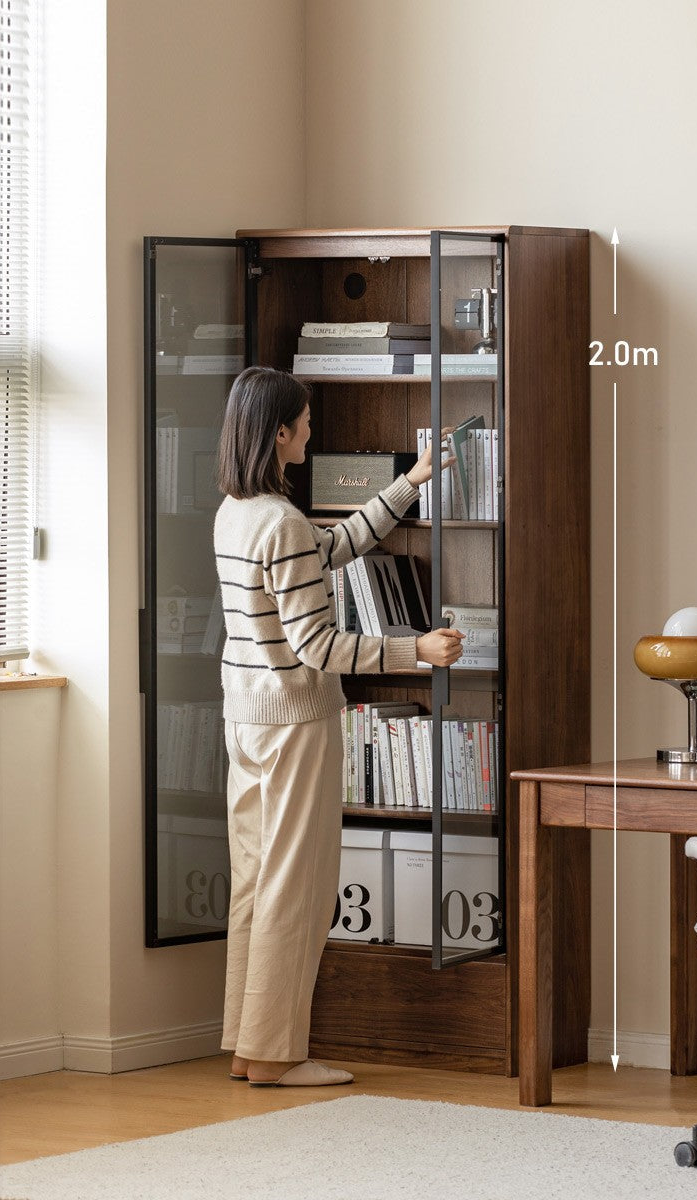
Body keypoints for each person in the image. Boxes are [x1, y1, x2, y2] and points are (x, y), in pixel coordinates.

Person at [213, 365, 463, 1087]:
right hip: (293, 724)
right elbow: (317, 647)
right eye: (306, 422)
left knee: (256, 882)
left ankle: (247, 1041)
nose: (313, 431)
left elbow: (331, 550)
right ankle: (276, 1055)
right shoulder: (281, 521)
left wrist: (409, 481)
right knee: (299, 886)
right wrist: (412, 649)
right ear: (280, 432)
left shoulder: (238, 511)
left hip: (246, 719)